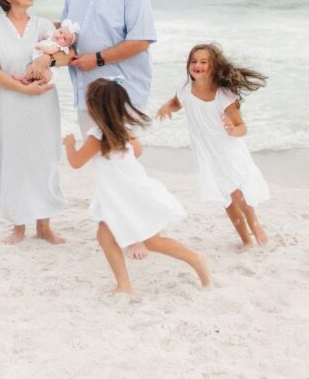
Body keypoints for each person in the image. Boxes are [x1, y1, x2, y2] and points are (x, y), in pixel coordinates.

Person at [63, 78, 210, 297]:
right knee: (105, 235)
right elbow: (138, 151)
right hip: (130, 190)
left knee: (151, 240)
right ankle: (124, 285)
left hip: (123, 195)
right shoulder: (123, 129)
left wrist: (69, 145)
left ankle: (195, 258)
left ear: (94, 107)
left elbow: (76, 162)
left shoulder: (96, 135)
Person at [0, 0, 72, 245]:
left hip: (42, 103)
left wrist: (46, 60)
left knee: (44, 159)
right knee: (14, 161)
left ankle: (44, 227)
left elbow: (66, 56)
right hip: (9, 104)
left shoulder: (44, 26)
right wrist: (23, 89)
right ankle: (18, 226)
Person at [157, 42, 269, 247]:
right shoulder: (185, 87)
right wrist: (167, 108)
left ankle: (254, 224)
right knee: (226, 197)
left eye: (203, 62)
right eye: (193, 61)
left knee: (237, 192)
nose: (197, 65)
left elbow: (242, 127)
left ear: (214, 66)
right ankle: (246, 240)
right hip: (206, 152)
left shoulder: (223, 95)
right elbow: (177, 102)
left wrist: (233, 130)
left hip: (227, 150)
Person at [62, 0, 156, 135]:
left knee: (123, 155)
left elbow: (141, 41)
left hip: (122, 98)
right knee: (93, 155)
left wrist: (97, 59)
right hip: (86, 97)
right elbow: (66, 36)